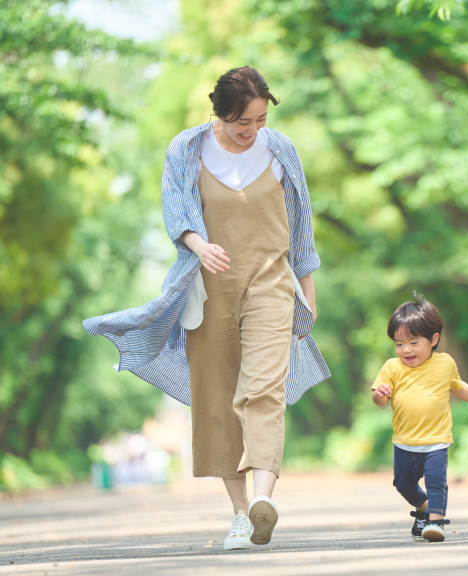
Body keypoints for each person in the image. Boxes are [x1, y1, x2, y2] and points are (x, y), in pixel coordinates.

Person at [83, 66, 330, 550]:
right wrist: (199, 245)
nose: (251, 130)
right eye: (242, 122)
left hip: (271, 282)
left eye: (260, 120)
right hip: (207, 287)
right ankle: (239, 514)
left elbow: (301, 224)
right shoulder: (187, 148)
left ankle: (264, 500)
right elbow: (175, 210)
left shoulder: (280, 149)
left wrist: (308, 289)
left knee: (265, 389)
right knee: (217, 396)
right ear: (220, 113)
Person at [372, 293, 468, 542]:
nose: (405, 350)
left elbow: (459, 387)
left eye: (413, 342)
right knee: (402, 484)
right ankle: (423, 509)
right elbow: (379, 401)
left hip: (436, 441)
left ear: (433, 339)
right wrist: (379, 395)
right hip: (405, 442)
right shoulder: (392, 367)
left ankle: (435, 522)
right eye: (399, 344)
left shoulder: (444, 364)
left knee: (436, 482)